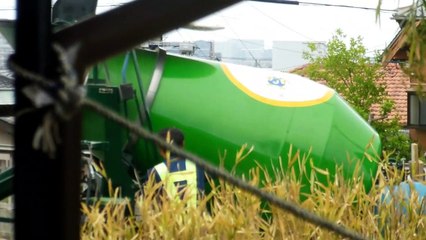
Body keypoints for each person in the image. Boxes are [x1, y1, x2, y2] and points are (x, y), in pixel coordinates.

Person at [145, 127, 205, 207]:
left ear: (160, 149)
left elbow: (148, 204)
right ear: (183, 144)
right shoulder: (198, 166)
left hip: (170, 219)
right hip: (199, 218)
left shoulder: (154, 172)